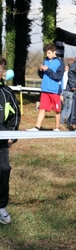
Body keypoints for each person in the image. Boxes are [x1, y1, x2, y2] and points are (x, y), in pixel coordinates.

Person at [0, 56, 21, 225]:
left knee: (4, 169)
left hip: (1, 142)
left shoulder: (7, 93)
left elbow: (15, 117)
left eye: (0, 70)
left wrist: (11, 136)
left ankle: (1, 206)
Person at [26, 43, 64, 131]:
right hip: (45, 89)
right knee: (42, 108)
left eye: (49, 53)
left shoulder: (59, 62)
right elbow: (42, 76)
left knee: (57, 110)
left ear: (55, 52)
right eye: (47, 53)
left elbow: (58, 76)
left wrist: (48, 70)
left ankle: (57, 127)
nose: (48, 55)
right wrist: (40, 71)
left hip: (55, 90)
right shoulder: (45, 61)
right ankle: (37, 127)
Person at [60, 59, 76, 127]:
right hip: (70, 91)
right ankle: (68, 121)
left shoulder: (65, 73)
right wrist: (74, 86)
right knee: (70, 108)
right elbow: (74, 81)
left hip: (65, 90)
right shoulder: (73, 73)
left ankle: (61, 121)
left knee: (65, 107)